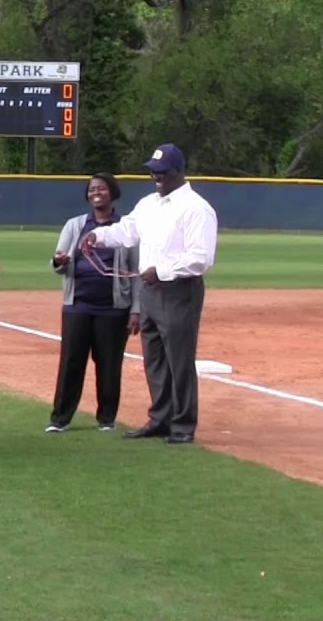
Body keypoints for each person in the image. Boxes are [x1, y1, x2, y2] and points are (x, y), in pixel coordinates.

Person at [80, 143, 218, 445]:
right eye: (152, 172)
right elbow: (126, 231)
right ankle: (160, 418)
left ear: (179, 172)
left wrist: (163, 271)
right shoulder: (148, 204)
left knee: (179, 359)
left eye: (162, 172)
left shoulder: (196, 208)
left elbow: (201, 258)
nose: (156, 177)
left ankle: (182, 424)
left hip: (179, 290)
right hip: (150, 290)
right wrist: (97, 236)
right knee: (154, 357)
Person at [46, 172, 141, 433]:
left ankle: (107, 419)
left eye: (101, 188)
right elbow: (57, 262)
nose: (95, 193)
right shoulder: (75, 225)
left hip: (113, 307)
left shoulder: (125, 228)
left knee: (109, 364)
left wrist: (136, 310)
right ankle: (60, 419)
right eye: (91, 189)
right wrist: (59, 261)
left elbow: (136, 272)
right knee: (71, 362)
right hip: (78, 304)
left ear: (112, 193)